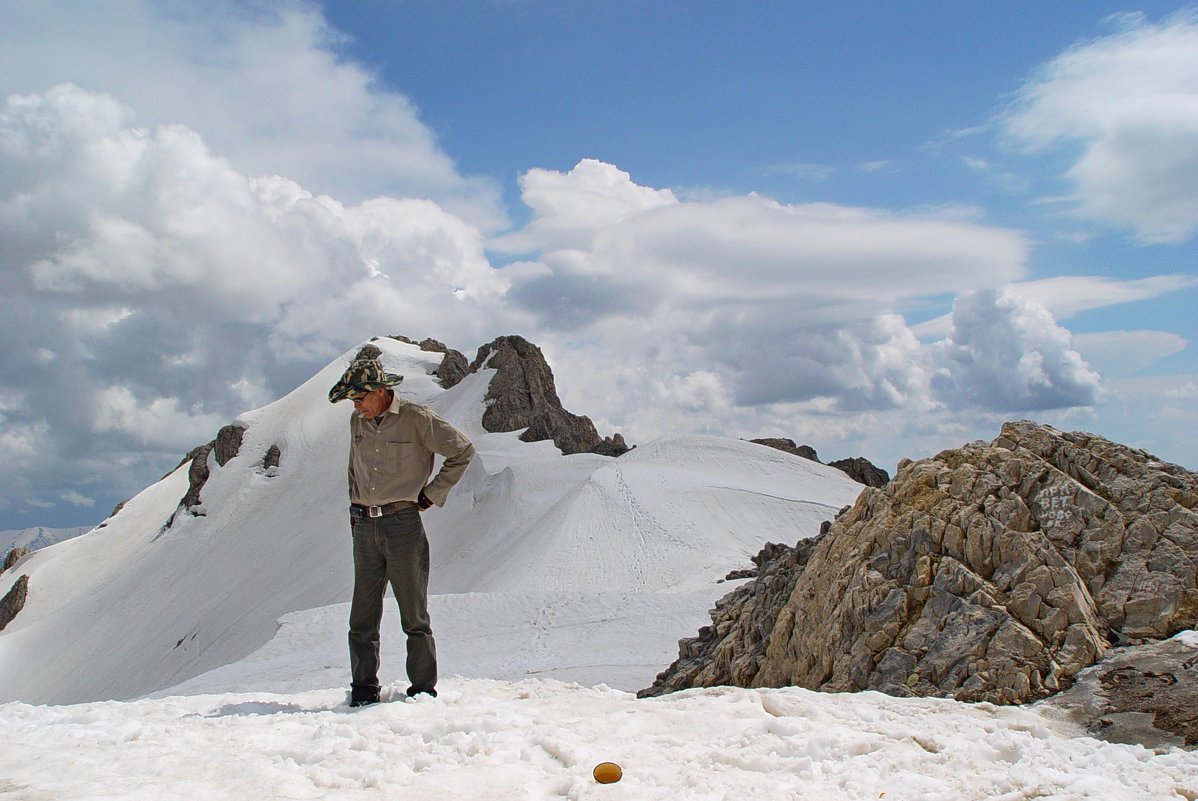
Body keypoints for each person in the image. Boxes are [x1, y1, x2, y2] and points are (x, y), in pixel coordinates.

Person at [328, 344, 475, 707]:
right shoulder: (356, 422)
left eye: (360, 398)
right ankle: (363, 692)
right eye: (352, 402)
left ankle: (423, 692)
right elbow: (354, 466)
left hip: (402, 525)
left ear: (380, 392)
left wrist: (430, 495)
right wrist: (354, 504)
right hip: (363, 525)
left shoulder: (416, 418)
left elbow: (463, 451)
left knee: (414, 615)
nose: (356, 406)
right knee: (362, 617)